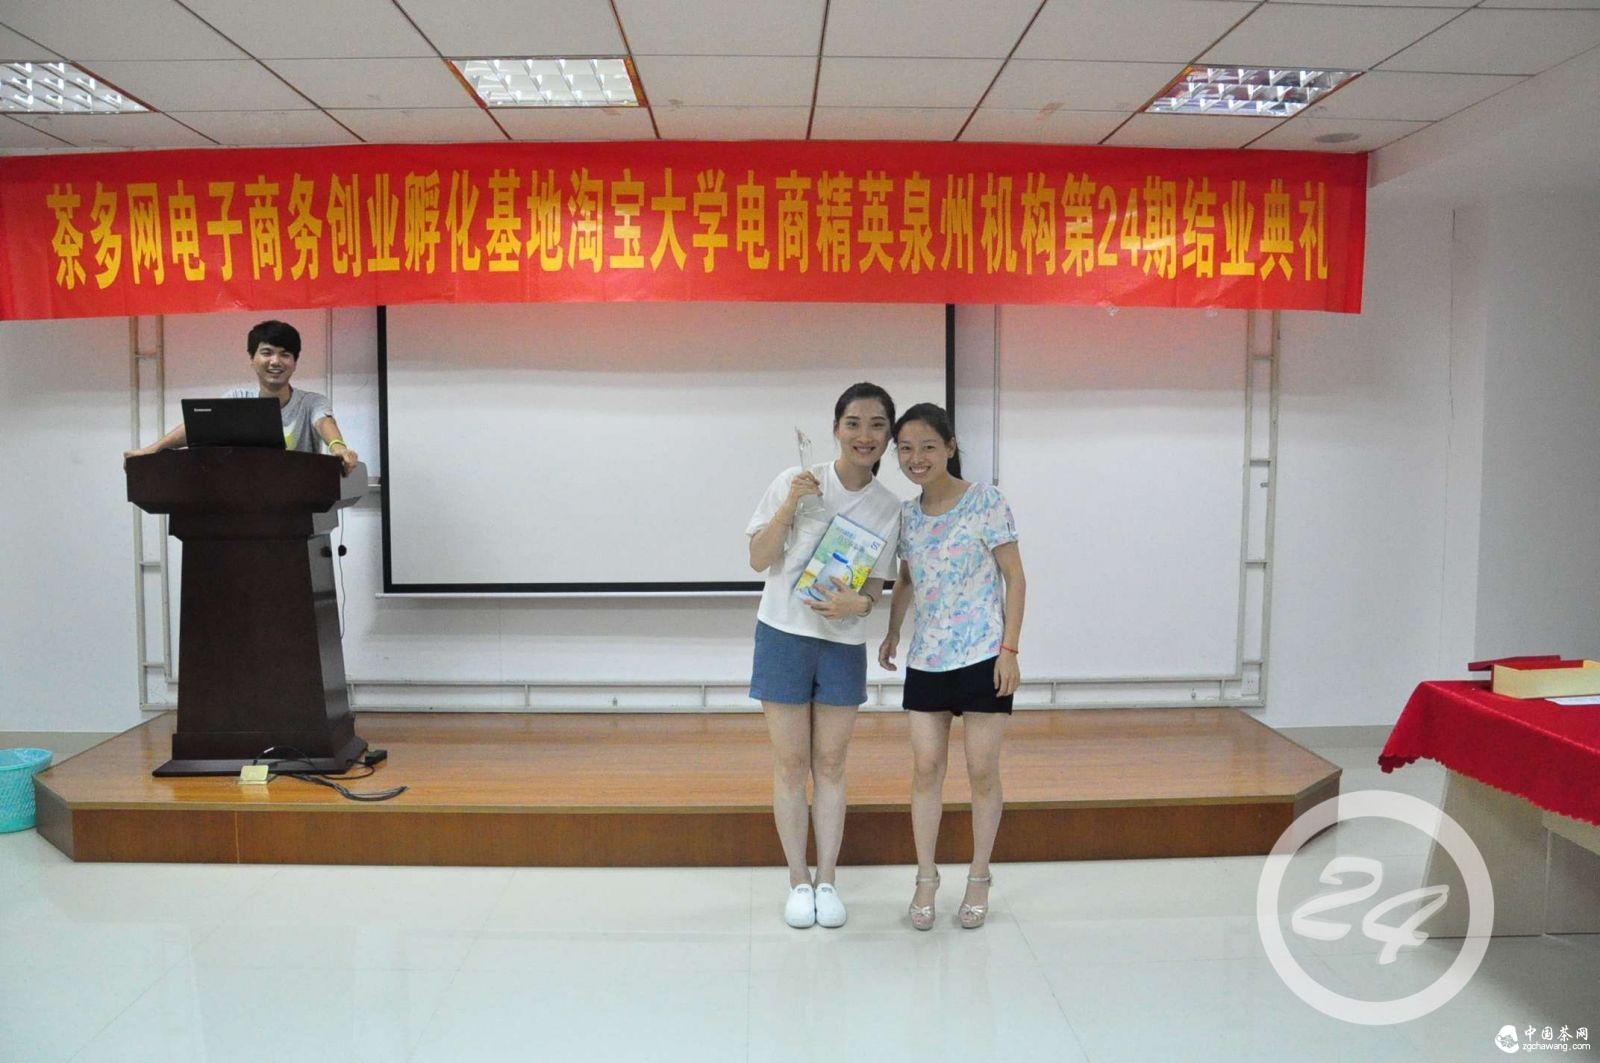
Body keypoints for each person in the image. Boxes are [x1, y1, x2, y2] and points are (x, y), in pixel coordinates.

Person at [746, 383, 901, 929]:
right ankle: (797, 881)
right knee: (791, 764)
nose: (865, 435)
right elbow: (757, 558)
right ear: (836, 428)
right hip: (783, 634)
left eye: (877, 425)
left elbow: (875, 588)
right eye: (854, 423)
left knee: (831, 764)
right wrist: (791, 505)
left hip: (842, 644)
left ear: (889, 436)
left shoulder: (889, 508)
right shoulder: (796, 481)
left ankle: (828, 880)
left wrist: (860, 603)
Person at [878, 403, 1026, 931]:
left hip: (984, 655)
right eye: (906, 449)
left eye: (927, 447)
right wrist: (893, 631)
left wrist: (1010, 650)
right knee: (926, 769)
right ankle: (926, 877)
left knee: (982, 771)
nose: (916, 458)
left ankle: (979, 876)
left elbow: (1015, 577)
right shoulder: (907, 515)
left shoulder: (986, 501)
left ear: (950, 447)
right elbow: (907, 578)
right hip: (928, 659)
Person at [124, 319, 360, 475]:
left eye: (285, 354)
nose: (275, 361)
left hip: (303, 511)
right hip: (248, 510)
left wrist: (339, 449)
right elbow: (198, 427)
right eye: (266, 353)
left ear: (295, 362)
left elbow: (324, 422)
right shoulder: (237, 398)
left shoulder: (312, 402)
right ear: (252, 359)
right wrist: (152, 449)